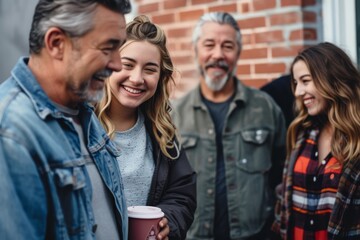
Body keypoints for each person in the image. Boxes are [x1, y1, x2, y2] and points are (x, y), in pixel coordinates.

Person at [0, 0, 131, 239]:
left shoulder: (84, 113)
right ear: (57, 44)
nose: (117, 64)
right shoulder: (10, 131)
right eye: (107, 47)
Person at [171, 12, 286, 239]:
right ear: (196, 50)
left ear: (238, 53)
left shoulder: (265, 108)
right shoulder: (174, 115)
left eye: (227, 46)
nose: (218, 55)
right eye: (209, 45)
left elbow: (284, 173)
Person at [95, 15, 196, 240]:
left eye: (150, 69)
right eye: (127, 65)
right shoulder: (82, 125)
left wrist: (168, 220)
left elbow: (182, 195)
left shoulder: (163, 133)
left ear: (160, 77)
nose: (137, 78)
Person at [273, 42, 360, 240]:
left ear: (332, 79)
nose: (298, 92)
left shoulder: (356, 140)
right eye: (296, 83)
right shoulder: (301, 134)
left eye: (305, 81)